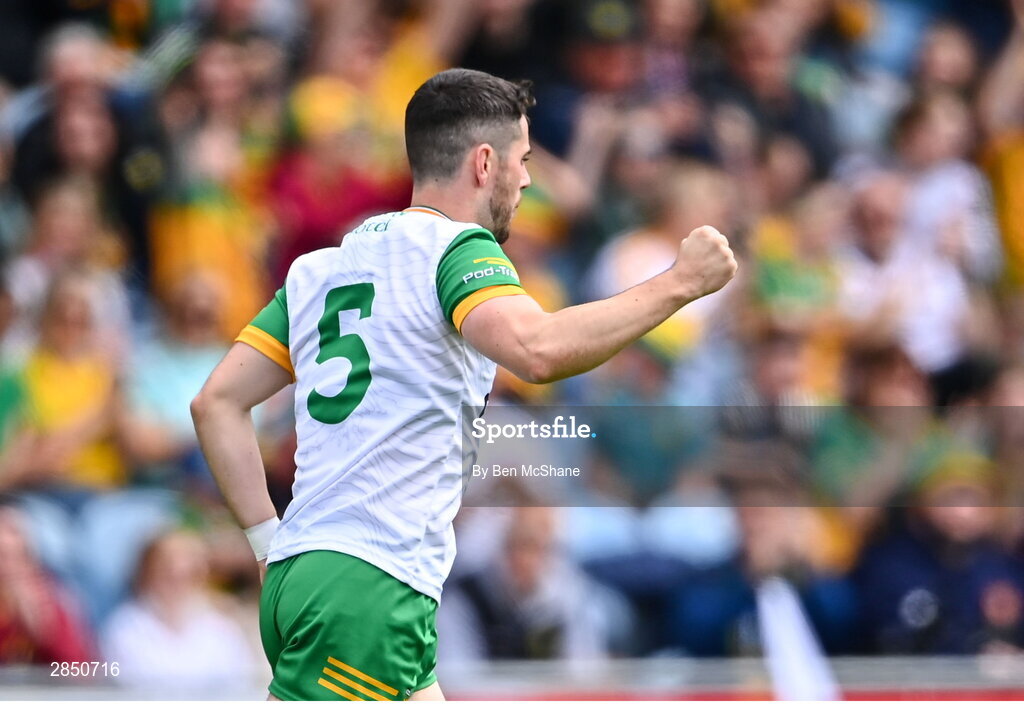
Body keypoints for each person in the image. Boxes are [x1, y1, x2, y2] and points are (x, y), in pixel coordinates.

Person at [191, 67, 736, 701]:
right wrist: (678, 284)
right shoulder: (457, 251)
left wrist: (267, 543)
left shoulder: (323, 267)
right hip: (371, 583)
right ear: (485, 163)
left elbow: (217, 403)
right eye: (523, 159)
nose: (528, 178)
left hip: (326, 575)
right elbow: (537, 350)